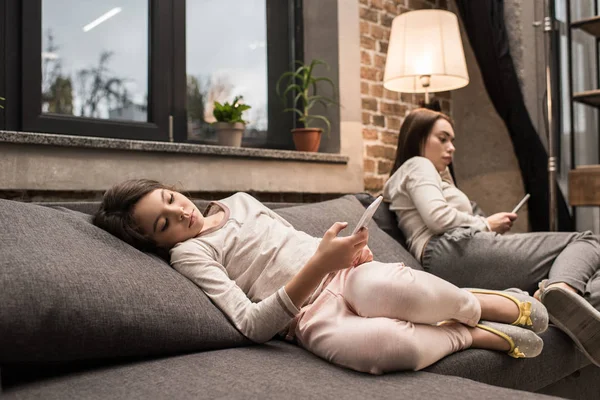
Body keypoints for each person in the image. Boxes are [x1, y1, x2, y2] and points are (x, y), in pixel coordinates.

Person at [93, 179, 548, 375]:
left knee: (389, 288)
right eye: (164, 223)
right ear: (159, 243)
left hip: (345, 277)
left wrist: (345, 251)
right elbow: (250, 325)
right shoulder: (190, 256)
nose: (180, 211)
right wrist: (319, 266)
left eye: (170, 198)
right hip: (306, 319)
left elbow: (294, 239)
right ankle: (471, 335)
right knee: (388, 349)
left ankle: (486, 304)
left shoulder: (241, 201)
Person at [383, 107, 600, 367]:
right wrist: (486, 224)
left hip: (453, 253)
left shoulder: (431, 174)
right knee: (586, 240)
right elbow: (437, 218)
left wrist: (485, 224)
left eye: (452, 140)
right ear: (417, 138)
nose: (451, 147)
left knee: (590, 277)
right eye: (442, 139)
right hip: (449, 248)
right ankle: (561, 294)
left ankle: (548, 302)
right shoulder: (418, 164)